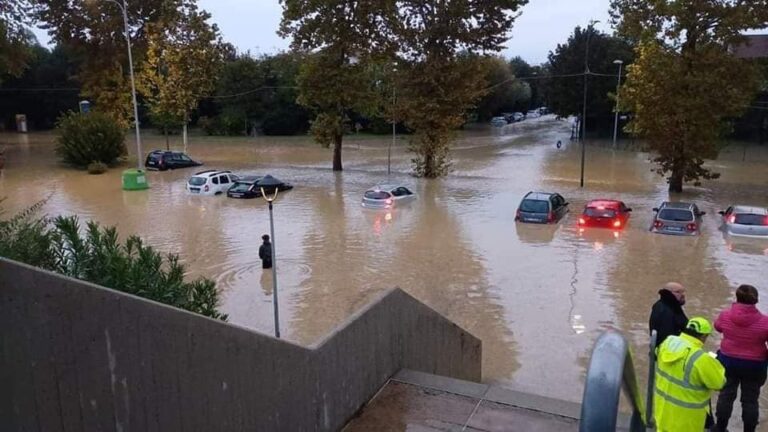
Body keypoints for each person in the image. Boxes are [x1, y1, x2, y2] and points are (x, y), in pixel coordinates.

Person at [654, 317, 726, 432]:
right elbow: (719, 383)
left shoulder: (667, 343)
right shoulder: (700, 358)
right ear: (703, 336)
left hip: (662, 413)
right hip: (687, 421)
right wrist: (716, 364)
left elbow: (657, 354)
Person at [713, 285, 768, 432]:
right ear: (756, 300)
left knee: (725, 395)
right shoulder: (765, 321)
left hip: (728, 361)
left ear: (736, 298)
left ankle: (720, 427)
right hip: (755, 365)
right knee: (750, 400)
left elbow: (718, 327)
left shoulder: (725, 315)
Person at [649, 282, 689, 347]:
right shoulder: (665, 311)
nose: (683, 295)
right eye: (678, 292)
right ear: (668, 293)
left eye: (683, 291)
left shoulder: (671, 306)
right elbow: (667, 337)